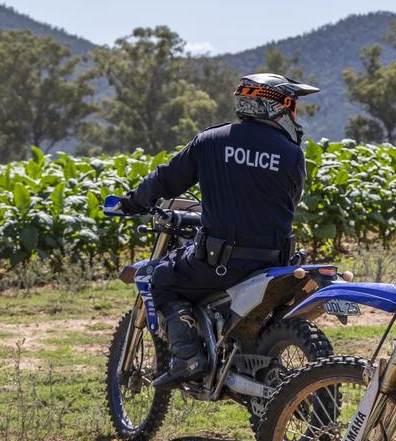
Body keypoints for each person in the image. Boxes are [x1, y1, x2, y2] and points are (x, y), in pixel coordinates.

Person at [118, 73, 318, 389]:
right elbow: (289, 201)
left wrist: (132, 202)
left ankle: (188, 356)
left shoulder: (210, 141)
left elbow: (164, 180)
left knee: (160, 277)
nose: (294, 115)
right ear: (268, 105)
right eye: (290, 106)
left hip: (220, 263)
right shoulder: (292, 154)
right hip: (275, 264)